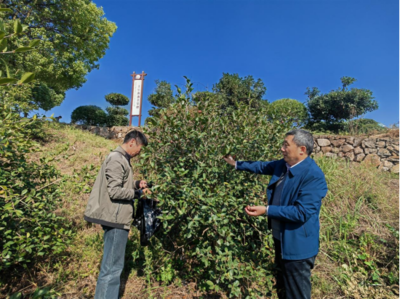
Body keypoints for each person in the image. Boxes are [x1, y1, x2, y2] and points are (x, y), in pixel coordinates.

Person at [223, 129, 327, 299]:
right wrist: (235, 164)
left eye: (286, 145)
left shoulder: (313, 176)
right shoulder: (283, 165)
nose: (282, 149)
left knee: (297, 292)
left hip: (298, 245)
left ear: (302, 150)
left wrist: (266, 210)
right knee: (282, 285)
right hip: (281, 240)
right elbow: (261, 166)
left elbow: (302, 212)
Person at [84, 130, 151, 299]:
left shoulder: (122, 160)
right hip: (115, 218)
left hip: (117, 217)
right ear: (132, 142)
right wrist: (138, 194)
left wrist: (136, 184)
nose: (139, 153)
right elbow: (114, 191)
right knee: (112, 269)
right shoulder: (116, 159)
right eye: (140, 149)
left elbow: (120, 183)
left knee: (112, 266)